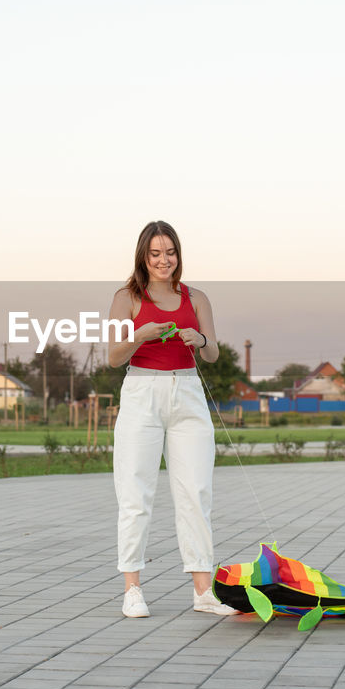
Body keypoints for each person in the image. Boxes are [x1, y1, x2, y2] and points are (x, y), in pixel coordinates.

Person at [107, 221, 239, 619]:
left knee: (196, 493)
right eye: (155, 254)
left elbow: (213, 351)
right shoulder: (125, 298)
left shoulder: (196, 298)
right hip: (141, 395)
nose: (164, 260)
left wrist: (200, 340)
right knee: (135, 494)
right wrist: (141, 334)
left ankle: (203, 592)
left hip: (187, 394)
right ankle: (132, 589)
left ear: (178, 254)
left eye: (170, 252)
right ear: (143, 257)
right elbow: (113, 357)